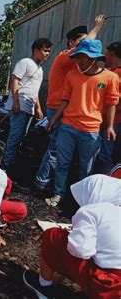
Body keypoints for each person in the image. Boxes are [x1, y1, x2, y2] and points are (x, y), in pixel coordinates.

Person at [46, 40, 119, 207]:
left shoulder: (110, 77)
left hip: (92, 129)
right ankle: (58, 194)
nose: (78, 60)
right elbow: (65, 99)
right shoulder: (72, 76)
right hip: (68, 126)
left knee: (86, 167)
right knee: (62, 162)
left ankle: (82, 199)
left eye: (82, 57)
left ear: (93, 58)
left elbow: (111, 103)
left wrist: (109, 126)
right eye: (77, 57)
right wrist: (54, 118)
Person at [23, 174, 121, 298]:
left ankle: (44, 287)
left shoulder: (93, 211)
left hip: (109, 285)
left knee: (52, 236)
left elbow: (80, 250)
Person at [35, 16, 105, 190]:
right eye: (80, 41)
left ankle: (48, 182)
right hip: (58, 108)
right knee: (55, 149)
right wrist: (97, 27)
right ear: (71, 43)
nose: (85, 47)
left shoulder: (79, 63)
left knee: (60, 151)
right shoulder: (64, 57)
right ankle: (42, 181)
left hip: (66, 109)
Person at [2, 38, 53, 173]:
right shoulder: (25, 62)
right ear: (36, 50)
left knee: (21, 135)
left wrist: (38, 107)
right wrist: (16, 102)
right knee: (15, 135)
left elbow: (34, 90)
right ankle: (7, 163)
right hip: (20, 105)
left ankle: (11, 160)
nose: (47, 54)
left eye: (49, 51)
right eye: (45, 50)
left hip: (29, 106)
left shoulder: (40, 69)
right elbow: (14, 80)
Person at [95, 41, 121, 174]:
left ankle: (104, 185)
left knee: (105, 155)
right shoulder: (112, 73)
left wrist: (107, 119)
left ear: (111, 54)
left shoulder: (117, 75)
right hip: (111, 122)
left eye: (105, 53)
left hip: (114, 123)